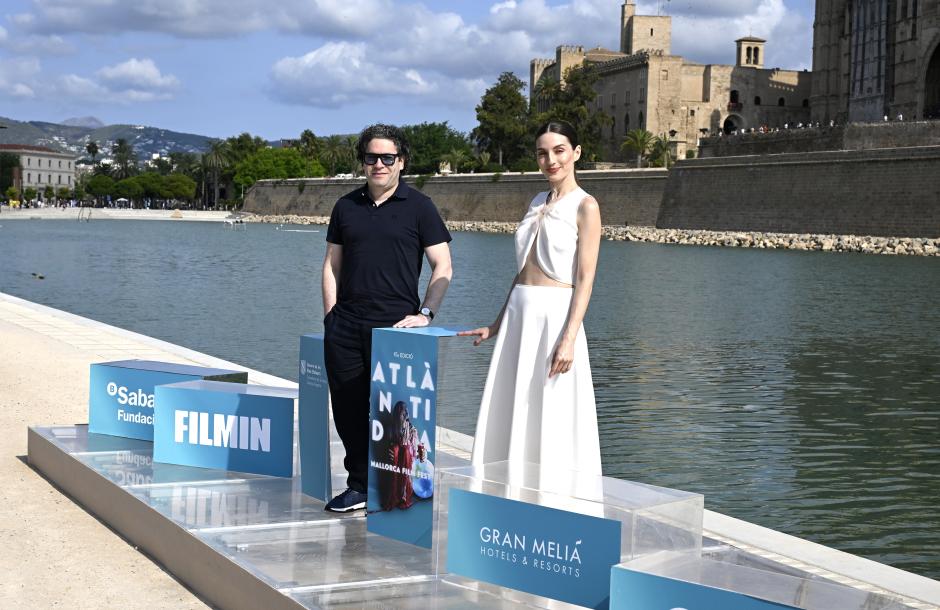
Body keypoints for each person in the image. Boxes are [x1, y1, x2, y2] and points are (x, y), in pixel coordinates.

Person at [460, 120, 603, 482]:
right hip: (518, 318)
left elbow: (585, 278)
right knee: (512, 406)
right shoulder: (537, 200)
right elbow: (523, 272)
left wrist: (569, 338)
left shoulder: (586, 206)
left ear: (576, 153)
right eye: (542, 153)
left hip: (555, 318)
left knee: (550, 409)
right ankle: (509, 492)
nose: (550, 160)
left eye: (559, 151)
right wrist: (496, 323)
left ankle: (552, 497)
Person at [321, 123, 453, 512]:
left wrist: (426, 313)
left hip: (397, 328)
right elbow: (331, 265)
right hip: (345, 325)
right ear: (363, 161)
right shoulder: (346, 206)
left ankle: (398, 491)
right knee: (347, 409)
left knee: (396, 418)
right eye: (371, 157)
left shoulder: (420, 207)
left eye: (387, 157)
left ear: (401, 162)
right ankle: (360, 486)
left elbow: (442, 265)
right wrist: (331, 317)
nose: (378, 164)